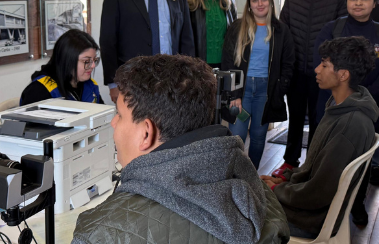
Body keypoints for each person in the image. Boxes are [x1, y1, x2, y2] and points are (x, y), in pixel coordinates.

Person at [72, 55, 290, 244]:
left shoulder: (97, 233)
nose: (113, 123)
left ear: (146, 134)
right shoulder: (261, 198)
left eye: (119, 114)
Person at [262, 36, 377, 239]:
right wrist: (283, 179)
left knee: (234, 208)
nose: (316, 69)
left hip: (309, 219)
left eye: (324, 65)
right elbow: (314, 170)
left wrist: (278, 190)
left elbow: (318, 193)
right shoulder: (340, 107)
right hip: (304, 205)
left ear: (343, 75)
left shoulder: (350, 124)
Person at [312, 0, 379, 224]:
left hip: (370, 107)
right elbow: (319, 63)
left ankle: (356, 203)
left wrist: (362, 94)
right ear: (346, 1)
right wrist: (343, 93)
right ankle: (322, 203)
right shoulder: (333, 29)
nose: (358, 3)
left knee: (362, 159)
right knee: (326, 155)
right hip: (332, 104)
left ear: (374, 3)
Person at [275, 0, 347, 175]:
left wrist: (329, 65)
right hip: (296, 69)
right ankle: (290, 161)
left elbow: (340, 33)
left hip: (323, 71)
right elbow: (283, 27)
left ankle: (314, 165)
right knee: (295, 117)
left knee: (319, 119)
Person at [100, 0, 195, 103]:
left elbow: (186, 40)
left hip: (171, 81)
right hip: (132, 81)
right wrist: (112, 83)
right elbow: (108, 40)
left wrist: (188, 78)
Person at [221, 0, 294, 169]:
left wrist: (279, 90)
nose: (260, 3)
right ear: (249, 4)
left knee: (259, 136)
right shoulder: (237, 27)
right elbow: (228, 61)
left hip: (266, 91)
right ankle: (235, 176)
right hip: (242, 90)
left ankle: (251, 175)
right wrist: (233, 94)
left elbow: (288, 64)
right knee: (236, 135)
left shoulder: (281, 30)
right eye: (255, 0)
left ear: (270, 2)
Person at [20, 29, 103, 105]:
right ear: (67, 60)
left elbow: (105, 117)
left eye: (95, 60)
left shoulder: (91, 85)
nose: (93, 66)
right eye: (86, 61)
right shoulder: (40, 90)